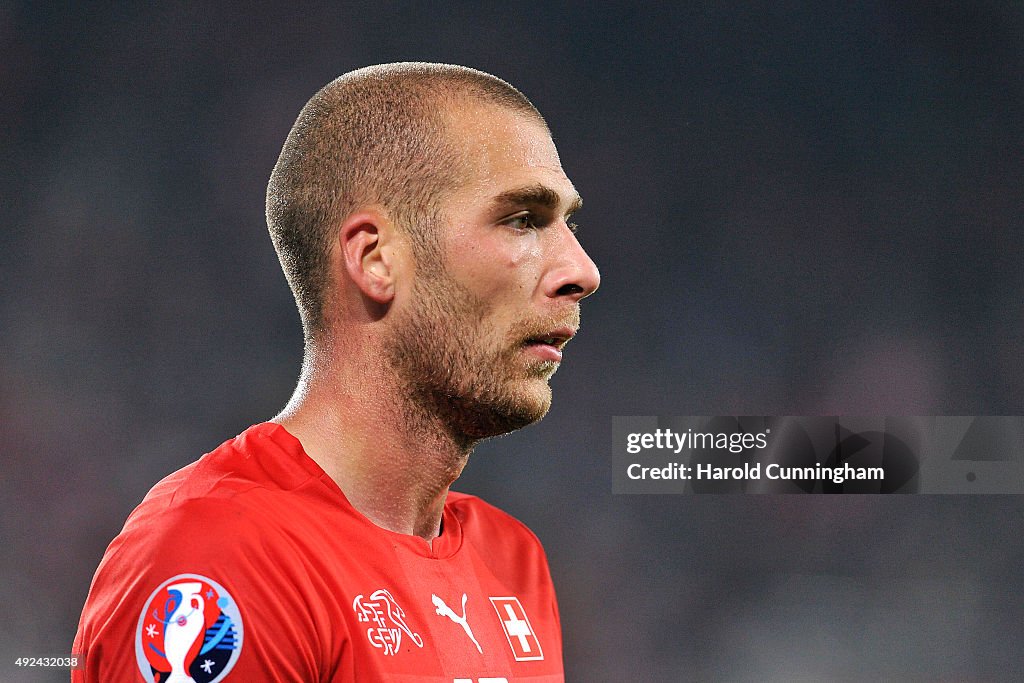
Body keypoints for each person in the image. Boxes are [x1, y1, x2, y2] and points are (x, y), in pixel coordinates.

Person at [72, 62, 599, 682]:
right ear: (375, 260)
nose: (582, 270)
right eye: (522, 219)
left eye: (568, 223)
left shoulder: (512, 562)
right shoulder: (222, 559)